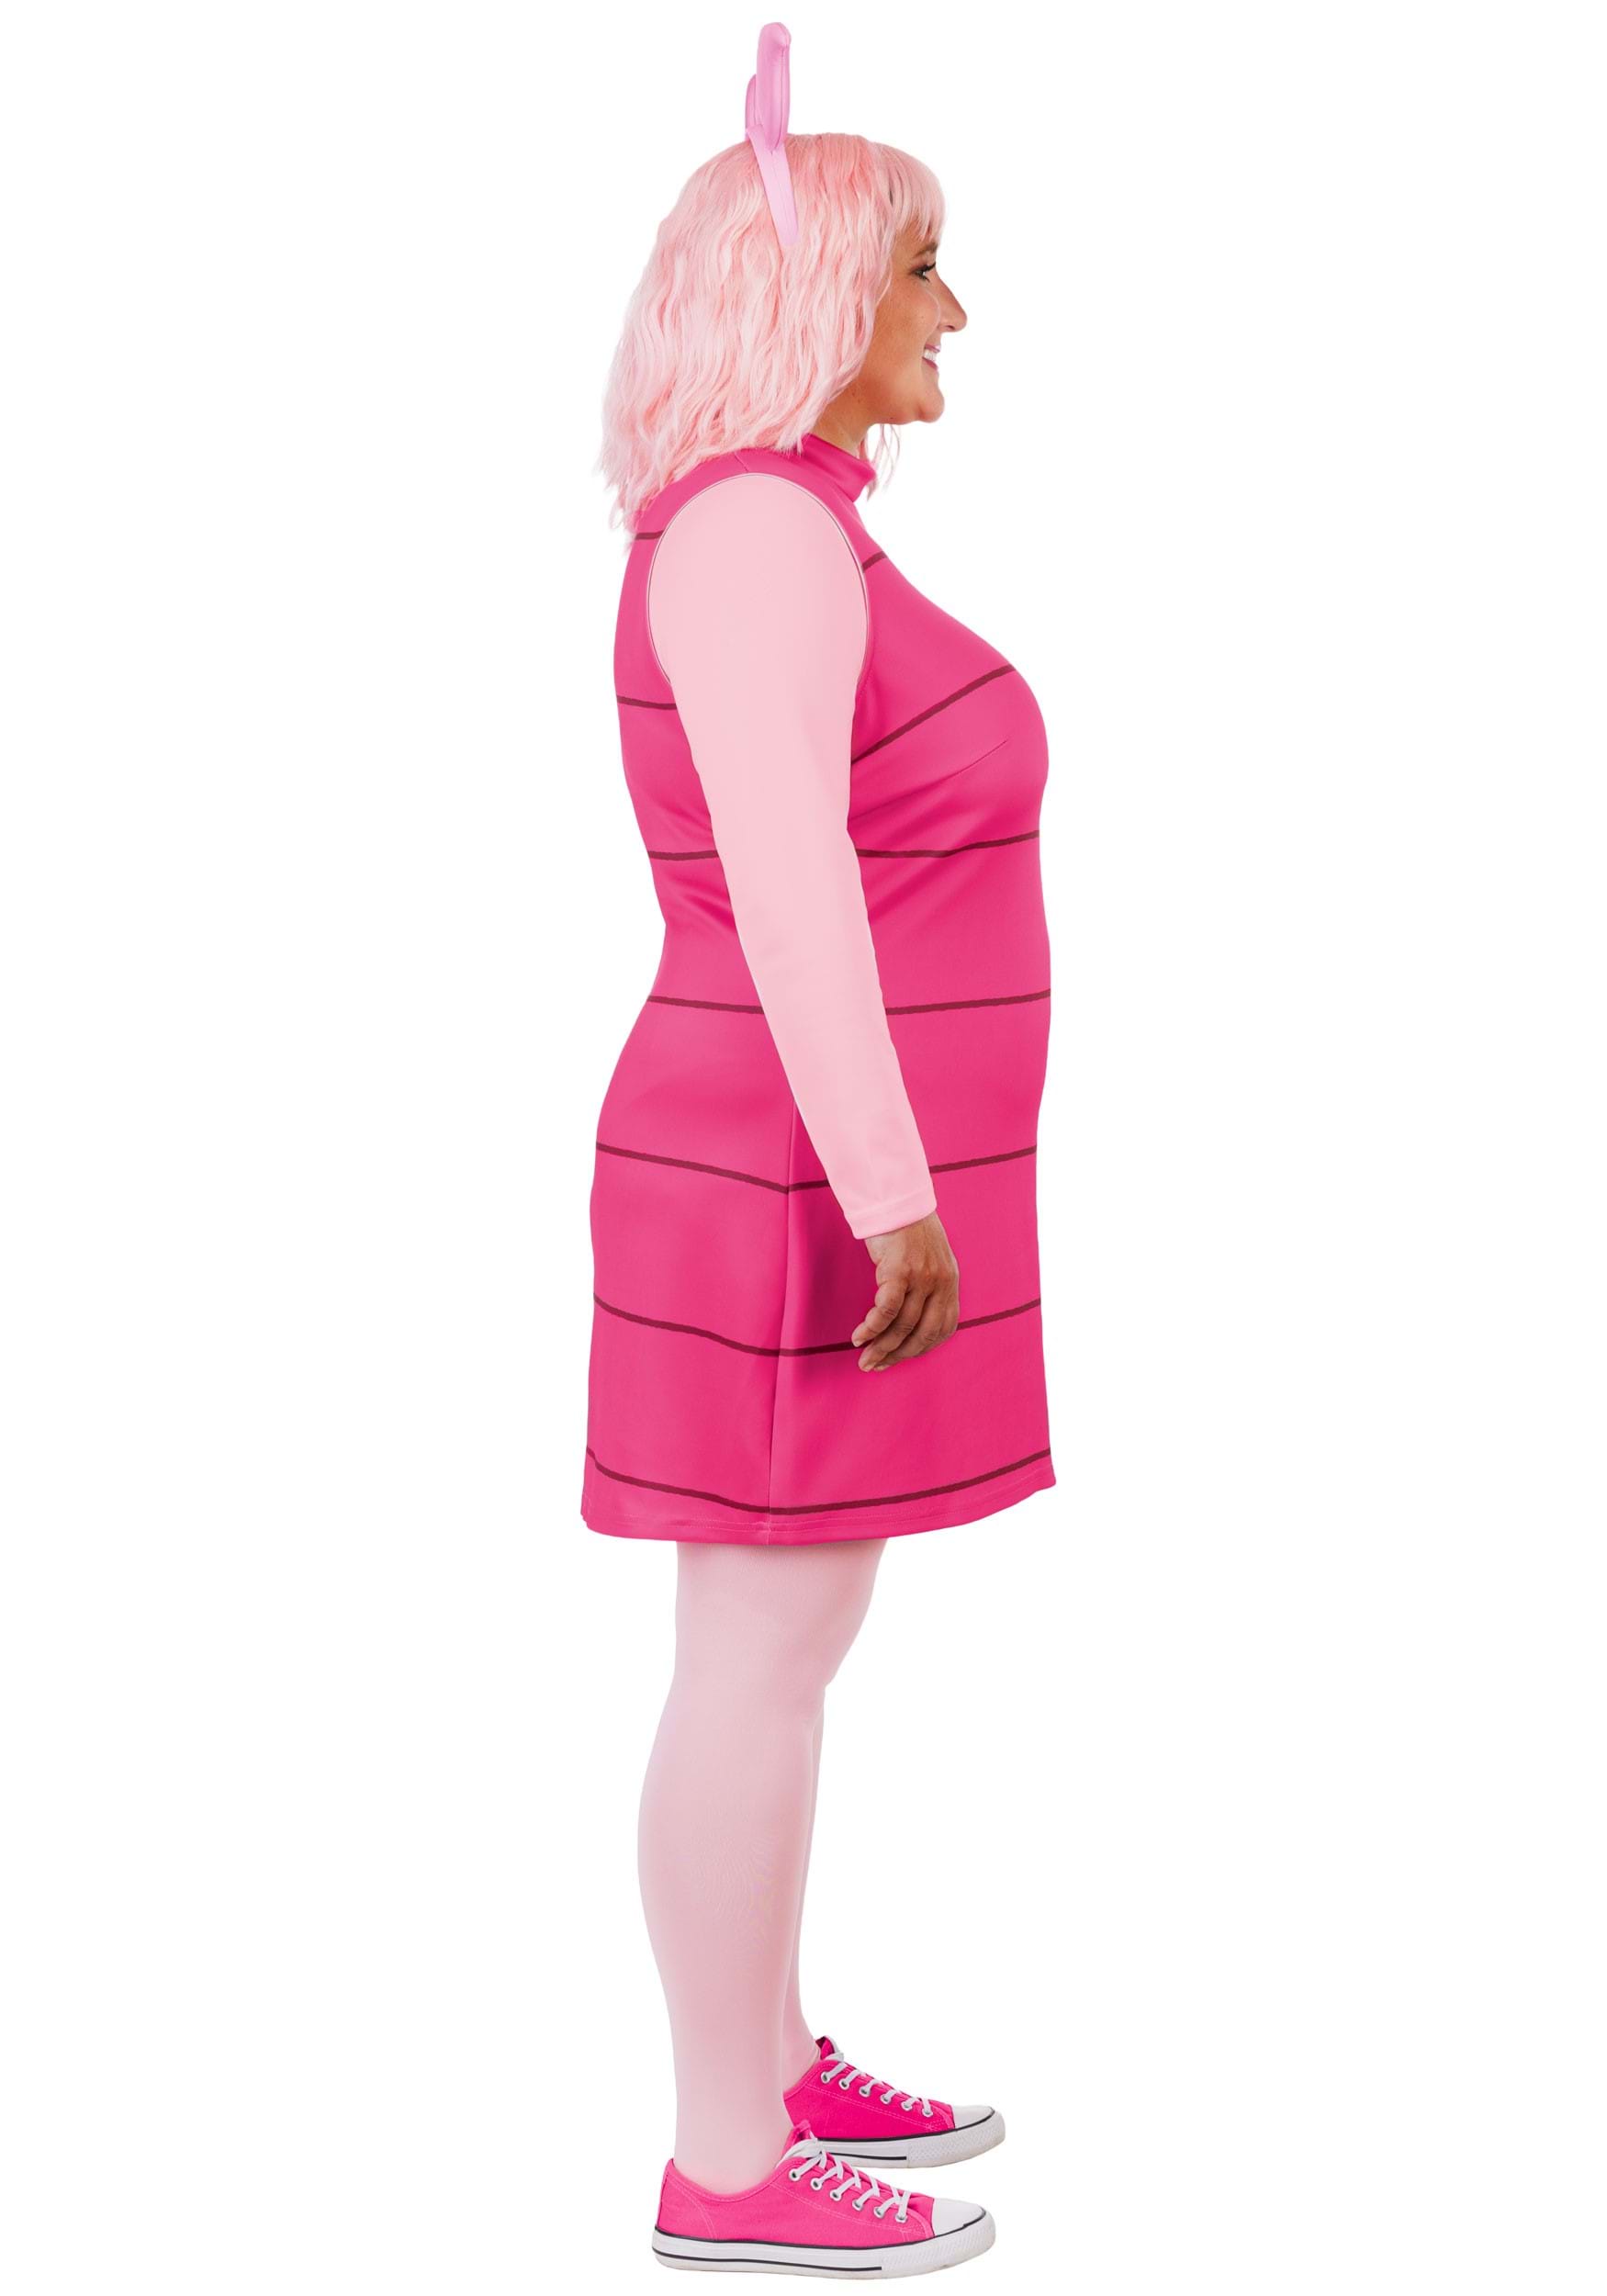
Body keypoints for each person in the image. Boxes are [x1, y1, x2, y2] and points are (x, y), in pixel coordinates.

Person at [589, 27, 1053, 2277]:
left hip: (817, 1162)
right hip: (789, 1171)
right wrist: (891, 1191)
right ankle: (726, 2158)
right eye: (920, 267)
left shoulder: (790, 524)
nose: (953, 309)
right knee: (757, 1658)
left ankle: (764, 2062)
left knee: (788, 1640)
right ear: (815, 295)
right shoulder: (759, 532)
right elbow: (789, 890)